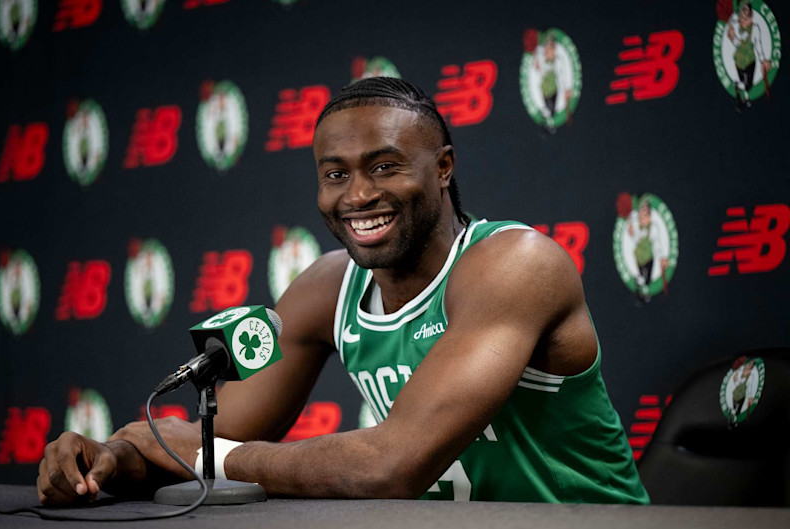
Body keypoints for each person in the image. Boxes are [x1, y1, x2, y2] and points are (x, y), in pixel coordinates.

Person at [37, 77, 649, 504]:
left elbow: (391, 465)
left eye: (385, 166)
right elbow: (224, 432)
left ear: (443, 168)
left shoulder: (513, 264)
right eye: (336, 175)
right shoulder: (330, 286)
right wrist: (111, 458)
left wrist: (207, 460)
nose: (356, 196)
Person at [726, 1, 772, 109]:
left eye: (745, 18)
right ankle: (744, 97)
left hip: (750, 61)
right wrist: (732, 36)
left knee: (748, 84)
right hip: (738, 60)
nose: (742, 21)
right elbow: (737, 43)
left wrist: (763, 60)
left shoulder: (755, 29)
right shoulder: (737, 27)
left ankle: (742, 93)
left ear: (751, 17)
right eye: (741, 18)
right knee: (744, 82)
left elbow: (758, 45)